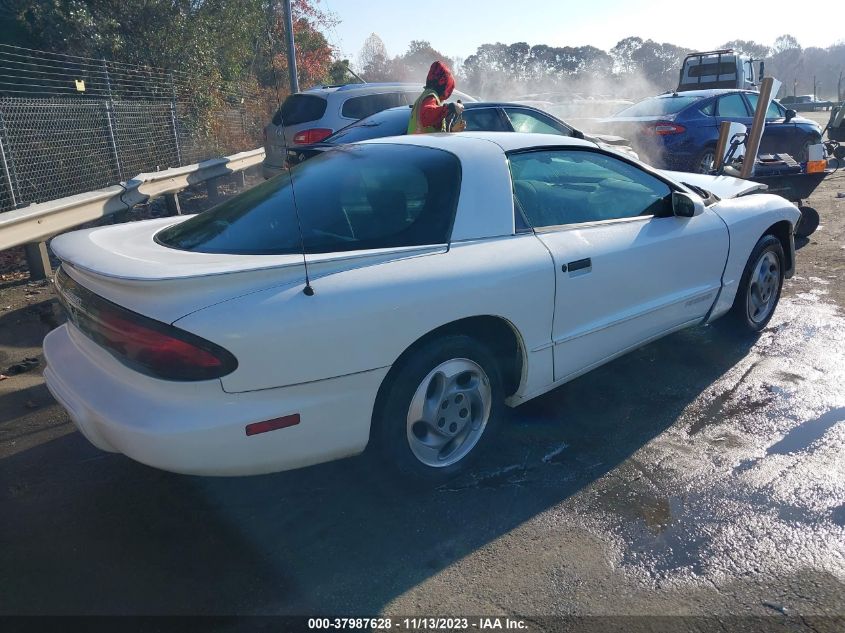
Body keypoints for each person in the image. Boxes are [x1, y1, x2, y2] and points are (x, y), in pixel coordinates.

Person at [407, 61, 465, 134]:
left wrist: (453, 130)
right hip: (423, 143)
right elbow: (426, 116)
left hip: (417, 143)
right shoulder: (431, 96)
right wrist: (450, 107)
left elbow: (435, 131)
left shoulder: (426, 97)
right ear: (444, 83)